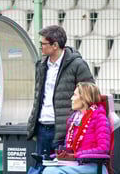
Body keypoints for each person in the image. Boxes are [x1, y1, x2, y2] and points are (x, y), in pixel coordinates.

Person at [27, 25, 94, 160]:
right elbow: (38, 97)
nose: (41, 47)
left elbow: (89, 95)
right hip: (42, 127)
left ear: (55, 45)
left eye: (43, 44)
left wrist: (76, 122)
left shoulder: (78, 65)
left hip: (64, 130)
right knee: (40, 170)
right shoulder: (41, 65)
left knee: (59, 173)